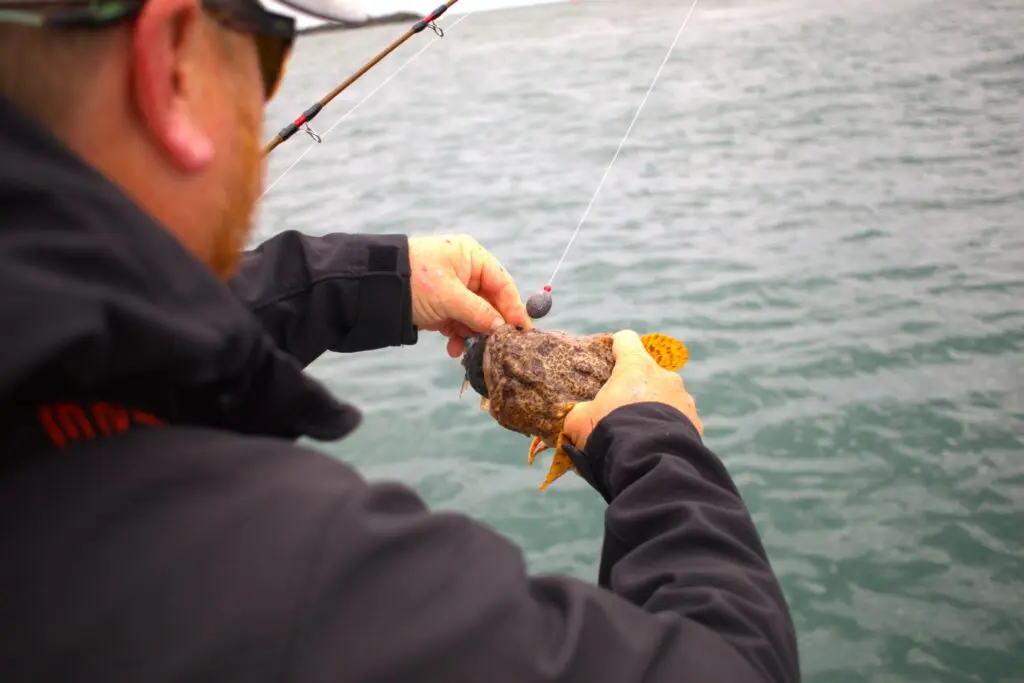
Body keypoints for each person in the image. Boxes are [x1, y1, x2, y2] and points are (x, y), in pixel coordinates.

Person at [0, 0, 800, 680]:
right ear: (172, 64)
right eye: (272, 59)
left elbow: (105, 333)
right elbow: (733, 662)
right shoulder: (283, 583)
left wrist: (369, 279)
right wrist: (661, 447)